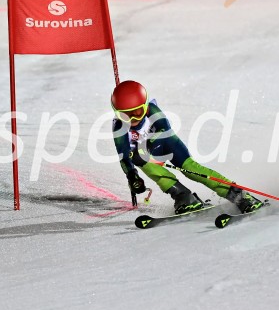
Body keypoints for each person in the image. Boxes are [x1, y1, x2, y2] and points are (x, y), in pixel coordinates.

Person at [111, 80, 262, 214]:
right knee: (137, 158)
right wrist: (132, 176)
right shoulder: (119, 127)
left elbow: (164, 130)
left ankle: (239, 195)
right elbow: (123, 156)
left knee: (192, 170)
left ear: (144, 106)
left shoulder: (152, 110)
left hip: (166, 143)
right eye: (125, 115)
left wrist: (145, 147)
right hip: (146, 155)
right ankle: (183, 196)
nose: (132, 119)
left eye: (137, 113)